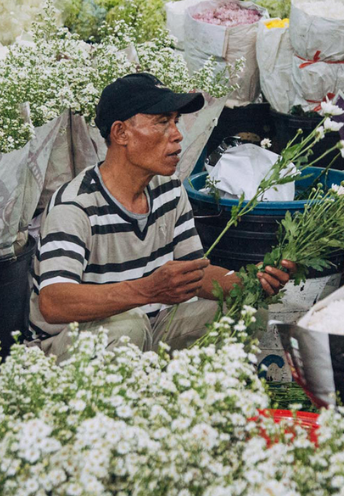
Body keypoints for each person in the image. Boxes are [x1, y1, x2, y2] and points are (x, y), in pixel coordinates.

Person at [29, 73, 295, 358]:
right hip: (69, 347)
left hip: (149, 327)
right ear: (121, 133)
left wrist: (250, 282)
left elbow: (195, 274)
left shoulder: (169, 189)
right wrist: (148, 290)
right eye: (162, 122)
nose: (177, 134)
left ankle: (195, 394)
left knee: (246, 310)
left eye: (175, 121)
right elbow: (54, 303)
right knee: (128, 326)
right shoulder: (74, 205)